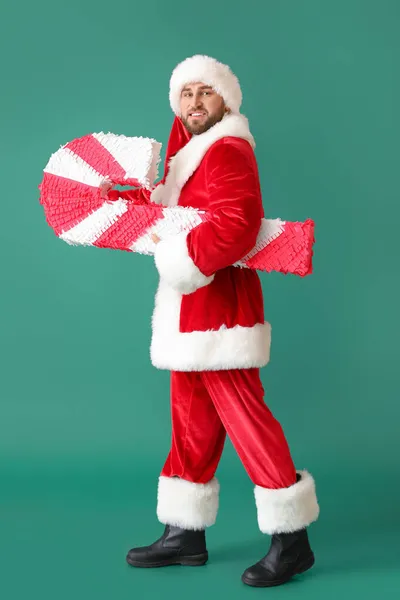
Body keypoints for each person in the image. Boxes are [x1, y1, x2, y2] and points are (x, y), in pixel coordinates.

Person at [115, 54, 319, 587]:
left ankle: (292, 540)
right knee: (191, 421)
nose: (196, 102)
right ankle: (184, 534)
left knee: (245, 418)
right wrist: (127, 200)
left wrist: (180, 262)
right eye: (187, 94)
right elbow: (178, 218)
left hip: (221, 310)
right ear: (177, 105)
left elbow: (237, 225)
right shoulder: (185, 160)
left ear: (225, 100)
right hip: (189, 313)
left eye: (207, 92)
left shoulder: (228, 148)